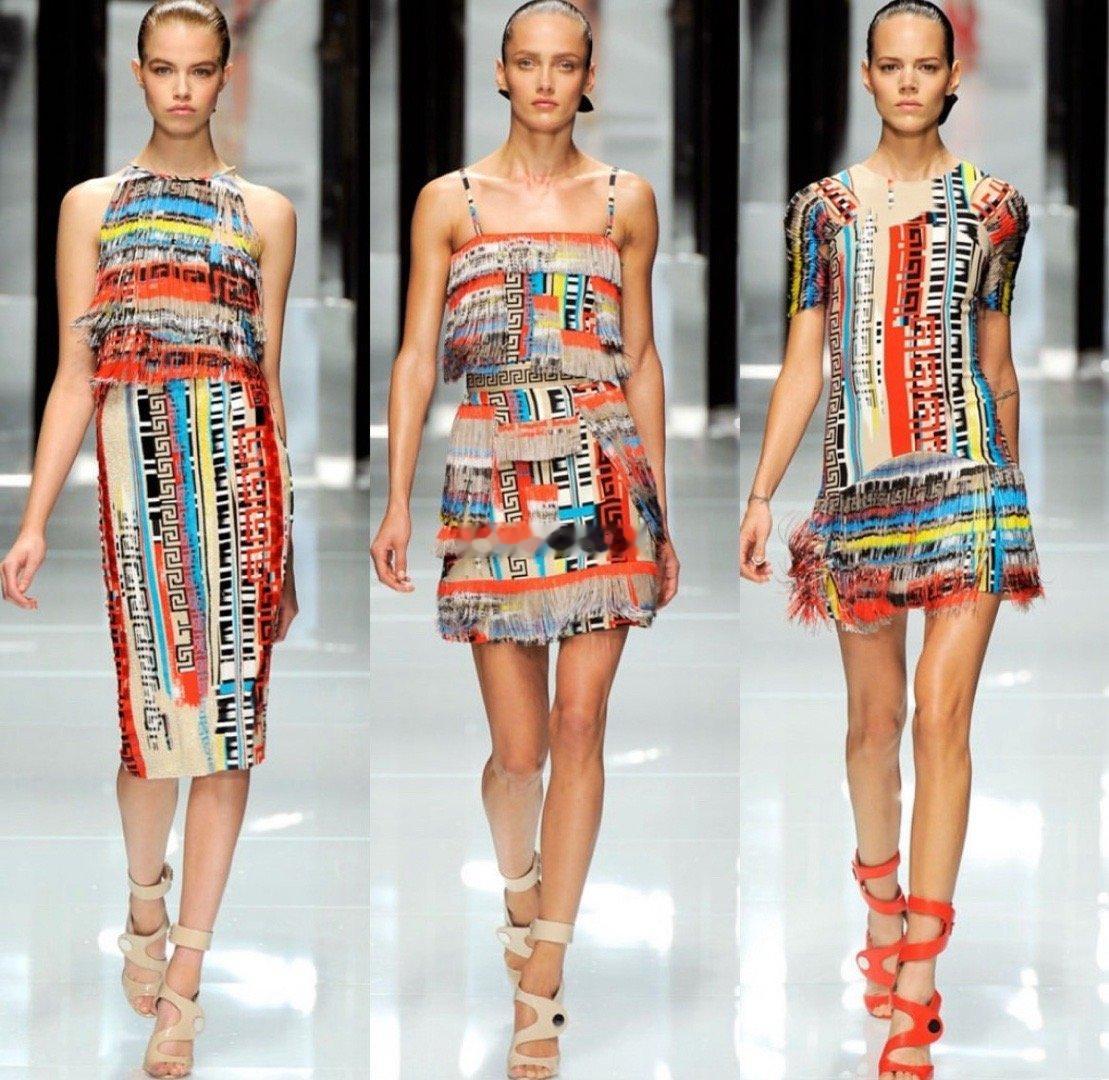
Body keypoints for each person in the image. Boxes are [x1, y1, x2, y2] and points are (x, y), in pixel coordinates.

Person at [369, 2, 678, 1075]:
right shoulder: (448, 202)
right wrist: (396, 498)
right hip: (493, 464)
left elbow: (640, 357)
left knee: (581, 724)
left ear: (589, 75)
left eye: (565, 63)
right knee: (518, 752)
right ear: (500, 72)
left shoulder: (624, 199)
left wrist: (659, 511)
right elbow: (416, 356)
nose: (546, 80)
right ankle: (517, 887)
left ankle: (542, 977)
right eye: (528, 62)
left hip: (600, 467)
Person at [738, 3, 1042, 1078]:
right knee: (872, 727)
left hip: (969, 482)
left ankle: (917, 978)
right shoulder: (818, 213)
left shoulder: (997, 209)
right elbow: (804, 359)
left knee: (939, 715)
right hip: (858, 491)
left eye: (925, 66)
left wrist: (1011, 502)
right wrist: (762, 492)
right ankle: (879, 902)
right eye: (891, 66)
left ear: (951, 76)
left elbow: (996, 361)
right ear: (866, 77)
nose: (908, 82)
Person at [0, 1, 297, 1074]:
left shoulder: (266, 212)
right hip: (139, 495)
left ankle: (185, 984)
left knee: (229, 736)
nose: (181, 88)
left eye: (199, 70)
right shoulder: (92, 206)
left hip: (240, 486)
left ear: (224, 76)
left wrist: (283, 538)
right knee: (151, 735)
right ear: (138, 74)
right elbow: (75, 373)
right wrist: (33, 521)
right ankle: (143, 901)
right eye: (164, 69)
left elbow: (264, 380)